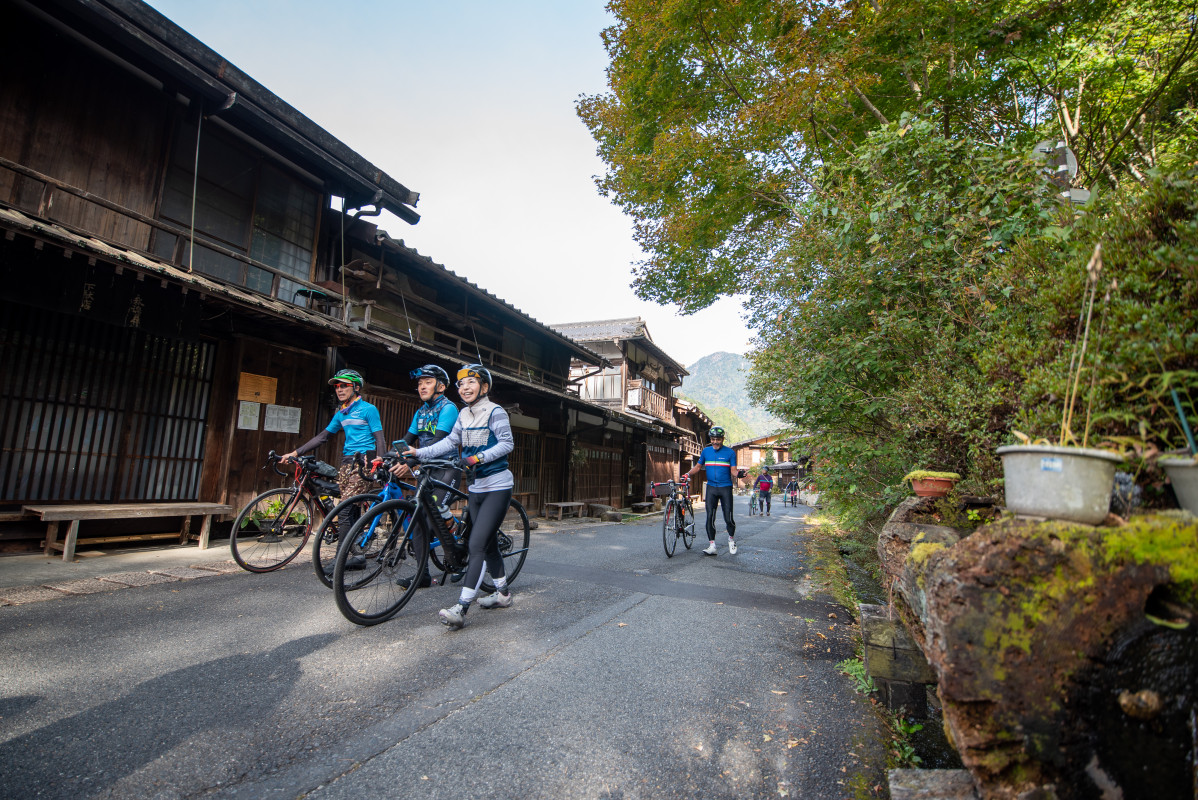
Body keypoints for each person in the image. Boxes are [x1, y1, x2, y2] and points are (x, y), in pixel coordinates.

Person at [404, 364, 515, 630]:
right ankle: (502, 594)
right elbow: (449, 443)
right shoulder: (463, 414)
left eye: (471, 383)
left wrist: (479, 456)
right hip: (475, 487)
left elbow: (507, 443)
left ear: (484, 387)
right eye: (460, 384)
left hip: (497, 486)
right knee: (488, 545)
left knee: (476, 544)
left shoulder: (495, 411)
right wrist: (418, 453)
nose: (464, 388)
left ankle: (461, 607)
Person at [389, 364, 459, 589]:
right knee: (419, 522)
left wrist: (410, 461)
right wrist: (386, 458)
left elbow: (439, 442)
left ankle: (457, 557)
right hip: (427, 470)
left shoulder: (448, 408)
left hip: (447, 469)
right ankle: (423, 575)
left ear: (441, 385)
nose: (421, 387)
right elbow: (407, 439)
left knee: (433, 517)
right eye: (419, 384)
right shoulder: (421, 412)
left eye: (427, 382)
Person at [281, 367, 385, 515]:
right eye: (337, 387)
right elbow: (322, 437)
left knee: (344, 511)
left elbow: (379, 438)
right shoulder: (341, 413)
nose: (339, 390)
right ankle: (355, 537)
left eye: (344, 385)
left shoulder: (368, 409)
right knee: (350, 509)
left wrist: (380, 460)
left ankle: (346, 539)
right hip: (346, 462)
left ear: (356, 387)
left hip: (364, 461)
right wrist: (294, 453)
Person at [686, 426, 737, 556]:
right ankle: (712, 545)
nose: (715, 442)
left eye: (718, 439)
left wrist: (740, 474)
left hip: (725, 487)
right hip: (711, 488)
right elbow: (698, 467)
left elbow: (733, 471)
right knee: (709, 517)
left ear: (723, 439)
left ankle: (731, 539)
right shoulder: (706, 451)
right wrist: (687, 474)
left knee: (728, 517)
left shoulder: (730, 453)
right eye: (713, 439)